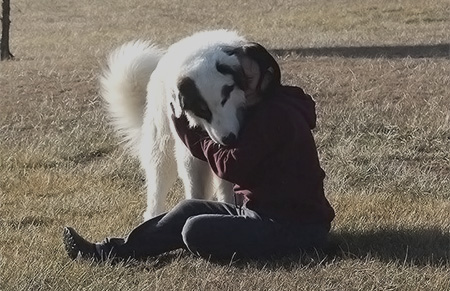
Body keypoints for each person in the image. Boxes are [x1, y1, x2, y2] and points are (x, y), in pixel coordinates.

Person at [63, 43, 335, 262]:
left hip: (296, 229)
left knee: (194, 229)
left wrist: (185, 127)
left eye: (250, 77)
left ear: (269, 76)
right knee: (188, 209)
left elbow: (231, 167)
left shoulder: (274, 115)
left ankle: (292, 252)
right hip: (263, 214)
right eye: (241, 76)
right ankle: (109, 251)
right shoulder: (266, 107)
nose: (244, 83)